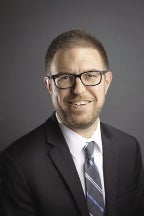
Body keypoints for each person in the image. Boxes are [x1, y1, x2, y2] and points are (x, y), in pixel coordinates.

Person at [0, 29, 144, 216]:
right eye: (65, 77)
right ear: (49, 85)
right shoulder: (18, 163)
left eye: (91, 75)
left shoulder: (129, 148)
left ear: (106, 82)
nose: (79, 90)